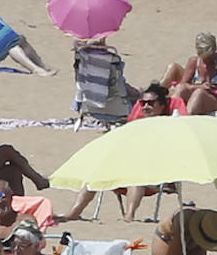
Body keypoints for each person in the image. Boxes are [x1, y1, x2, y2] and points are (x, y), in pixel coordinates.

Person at [61, 83, 180, 221]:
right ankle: (74, 212)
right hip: (127, 168)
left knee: (136, 176)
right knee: (95, 174)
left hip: (154, 175)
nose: (146, 106)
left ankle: (129, 215)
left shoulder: (168, 126)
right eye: (143, 103)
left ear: (162, 105)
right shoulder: (136, 126)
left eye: (151, 103)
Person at [161, 32, 217, 116]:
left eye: (210, 56)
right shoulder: (194, 61)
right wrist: (200, 86)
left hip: (216, 100)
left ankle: (185, 119)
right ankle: (168, 113)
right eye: (204, 57)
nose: (207, 60)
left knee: (199, 93)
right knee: (181, 88)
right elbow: (183, 84)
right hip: (196, 93)